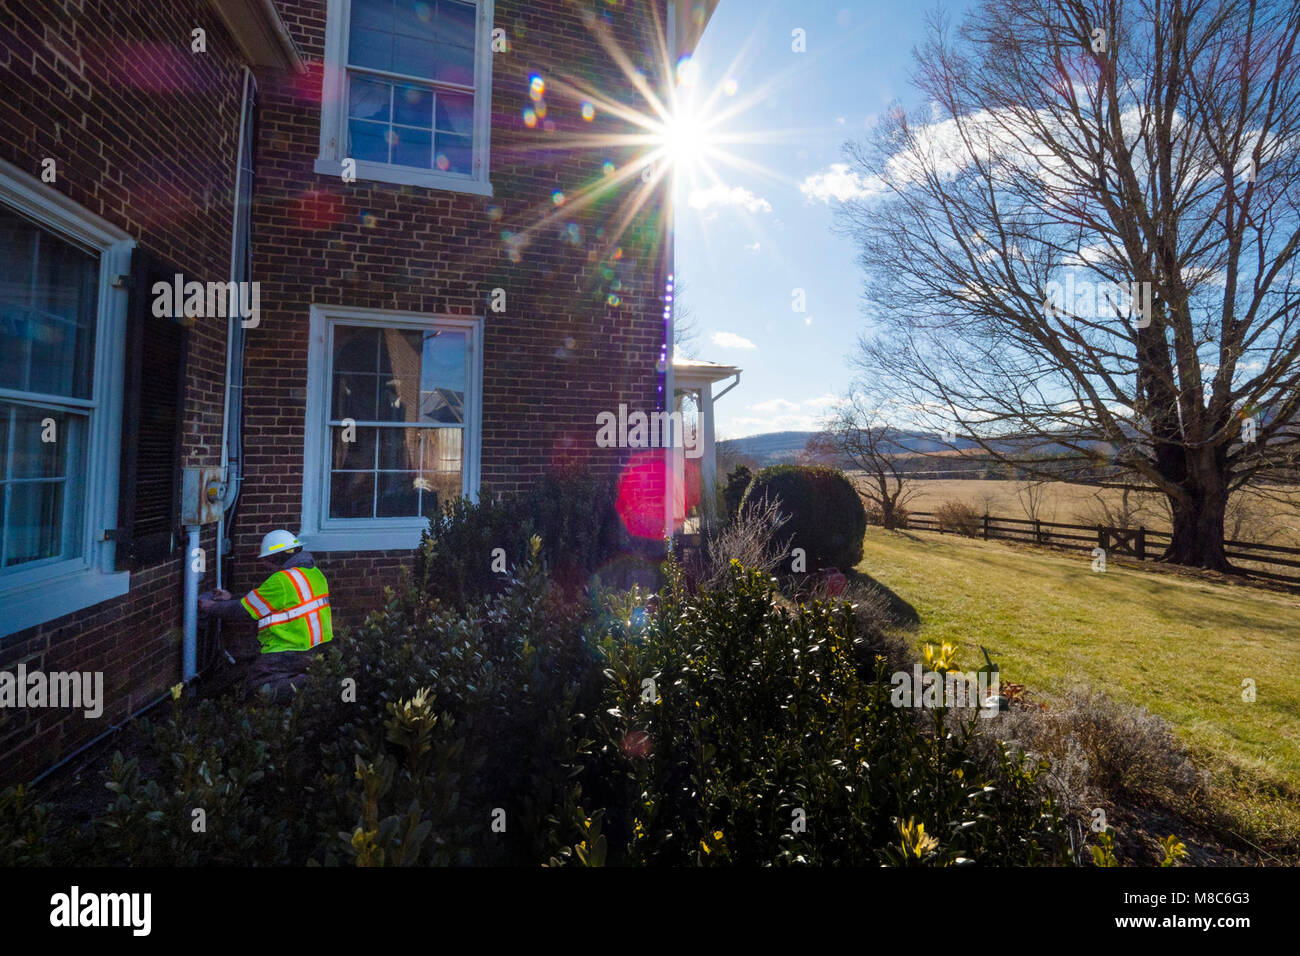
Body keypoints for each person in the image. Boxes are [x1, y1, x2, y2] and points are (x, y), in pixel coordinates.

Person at [199, 529, 333, 700]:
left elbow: (244, 611)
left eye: (267, 559)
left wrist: (210, 607)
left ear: (277, 557)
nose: (265, 565)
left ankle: (310, 686)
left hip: (288, 649)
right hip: (317, 646)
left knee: (258, 689)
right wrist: (231, 598)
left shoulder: (282, 580)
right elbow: (264, 602)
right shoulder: (314, 574)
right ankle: (309, 686)